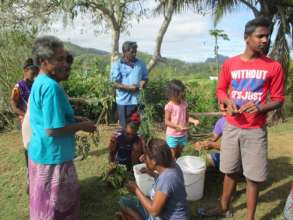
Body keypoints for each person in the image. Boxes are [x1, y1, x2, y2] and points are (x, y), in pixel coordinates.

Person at [198, 17, 285, 220]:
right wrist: (227, 101)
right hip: (231, 126)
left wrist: (261, 107)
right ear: (247, 37)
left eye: (267, 36)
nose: (265, 40)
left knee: (253, 177)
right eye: (260, 36)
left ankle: (250, 217)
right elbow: (220, 90)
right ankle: (223, 207)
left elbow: (279, 99)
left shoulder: (274, 67)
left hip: (255, 130)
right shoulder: (230, 64)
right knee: (229, 171)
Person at [28, 36, 96, 220]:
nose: (65, 64)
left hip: (42, 154)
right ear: (44, 62)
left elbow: (48, 118)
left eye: (64, 58)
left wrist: (75, 118)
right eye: (59, 59)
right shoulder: (51, 88)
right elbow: (52, 129)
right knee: (57, 210)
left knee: (43, 207)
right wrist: (83, 126)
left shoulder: (40, 81)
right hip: (54, 159)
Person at [117, 138, 189, 220]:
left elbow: (154, 212)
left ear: (154, 161)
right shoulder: (173, 166)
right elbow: (168, 186)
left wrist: (136, 189)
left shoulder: (166, 179)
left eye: (146, 157)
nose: (144, 159)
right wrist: (151, 173)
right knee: (125, 201)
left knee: (125, 203)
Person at [111, 41, 148, 128]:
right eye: (132, 52)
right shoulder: (117, 64)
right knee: (125, 128)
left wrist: (143, 82)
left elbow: (145, 77)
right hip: (124, 102)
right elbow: (114, 83)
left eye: (135, 51)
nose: (134, 53)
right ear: (125, 52)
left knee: (138, 127)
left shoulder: (140, 64)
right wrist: (129, 88)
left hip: (138, 101)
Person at [164, 79, 199, 158]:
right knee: (172, 156)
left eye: (181, 92)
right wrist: (177, 126)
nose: (180, 95)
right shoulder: (169, 106)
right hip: (172, 135)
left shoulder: (184, 104)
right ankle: (173, 169)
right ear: (172, 94)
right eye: (178, 93)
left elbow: (186, 117)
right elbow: (166, 121)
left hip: (183, 135)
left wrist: (193, 121)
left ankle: (179, 168)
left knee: (180, 155)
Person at [10, 58, 39, 124]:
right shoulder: (18, 87)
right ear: (25, 71)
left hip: (38, 119)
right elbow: (14, 106)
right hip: (26, 121)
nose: (35, 76)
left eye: (36, 74)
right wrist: (26, 115)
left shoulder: (37, 85)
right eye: (33, 73)